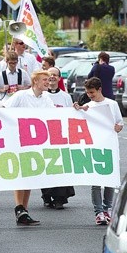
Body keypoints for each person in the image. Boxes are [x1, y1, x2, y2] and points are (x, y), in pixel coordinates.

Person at [2, 69, 55, 226]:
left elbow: (55, 116)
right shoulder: (21, 95)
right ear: (35, 82)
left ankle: (24, 211)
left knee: (30, 175)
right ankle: (19, 207)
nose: (48, 82)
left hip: (37, 142)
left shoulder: (47, 98)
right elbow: (4, 108)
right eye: (44, 80)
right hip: (20, 140)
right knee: (22, 174)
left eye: (48, 79)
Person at [74, 77, 123, 225]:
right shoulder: (88, 106)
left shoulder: (112, 104)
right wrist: (78, 109)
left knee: (109, 179)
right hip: (94, 146)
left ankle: (107, 208)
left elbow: (120, 122)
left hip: (109, 146)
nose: (90, 95)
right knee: (96, 182)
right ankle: (99, 211)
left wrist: (118, 127)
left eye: (92, 92)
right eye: (88, 93)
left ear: (99, 89)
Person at [40, 67, 75, 209]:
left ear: (59, 78)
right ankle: (47, 195)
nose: (52, 77)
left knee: (61, 166)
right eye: (49, 75)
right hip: (44, 136)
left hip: (61, 137)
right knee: (46, 166)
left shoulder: (66, 97)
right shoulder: (41, 95)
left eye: (55, 75)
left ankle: (60, 197)